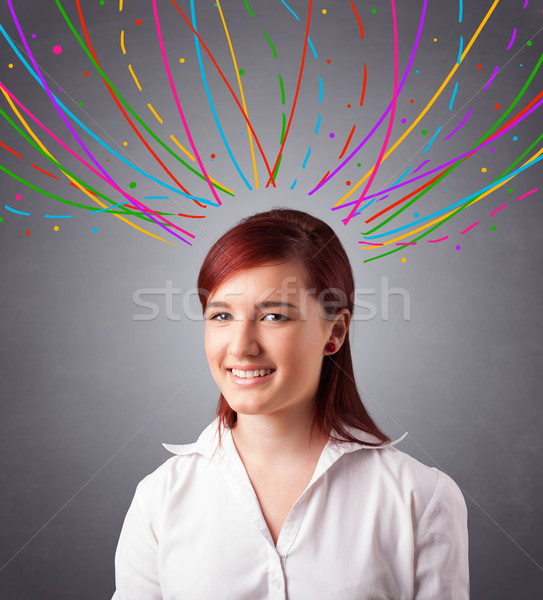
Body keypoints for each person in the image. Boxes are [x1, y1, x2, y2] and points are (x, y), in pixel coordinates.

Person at [112, 207, 469, 599]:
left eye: (274, 316)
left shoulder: (420, 497)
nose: (241, 347)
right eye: (221, 316)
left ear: (334, 333)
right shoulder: (159, 499)